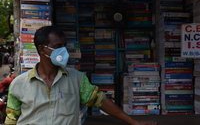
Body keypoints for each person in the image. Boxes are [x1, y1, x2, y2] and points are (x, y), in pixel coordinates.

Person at [4, 26, 157, 125]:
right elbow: (11, 119)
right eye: (57, 46)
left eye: (64, 46)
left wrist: (132, 121)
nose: (63, 50)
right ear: (42, 50)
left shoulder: (76, 79)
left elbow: (100, 100)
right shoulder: (18, 84)